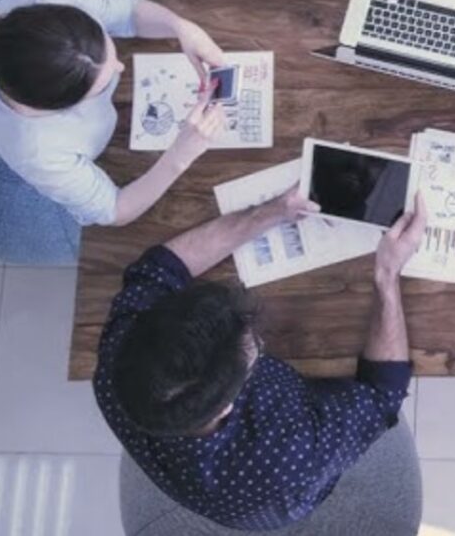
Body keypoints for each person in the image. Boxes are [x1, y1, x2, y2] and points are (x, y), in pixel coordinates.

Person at [94, 188, 428, 534]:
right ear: (226, 407)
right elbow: (383, 394)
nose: (257, 336)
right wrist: (387, 274)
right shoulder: (291, 454)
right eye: (253, 346)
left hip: (194, 473)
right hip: (276, 494)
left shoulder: (118, 359)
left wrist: (270, 212)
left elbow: (158, 268)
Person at [0, 0, 227, 228]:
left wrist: (181, 27)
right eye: (102, 84)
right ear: (61, 107)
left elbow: (126, 12)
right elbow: (115, 210)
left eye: (107, 43)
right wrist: (180, 156)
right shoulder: (34, 151)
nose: (120, 67)